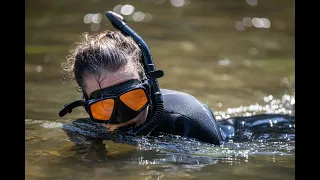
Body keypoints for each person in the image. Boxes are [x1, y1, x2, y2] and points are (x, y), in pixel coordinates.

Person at [59, 11, 295, 148]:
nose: (122, 115)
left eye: (133, 98)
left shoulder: (187, 121)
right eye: (105, 106)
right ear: (86, 103)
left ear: (149, 88)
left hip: (270, 131)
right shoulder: (87, 129)